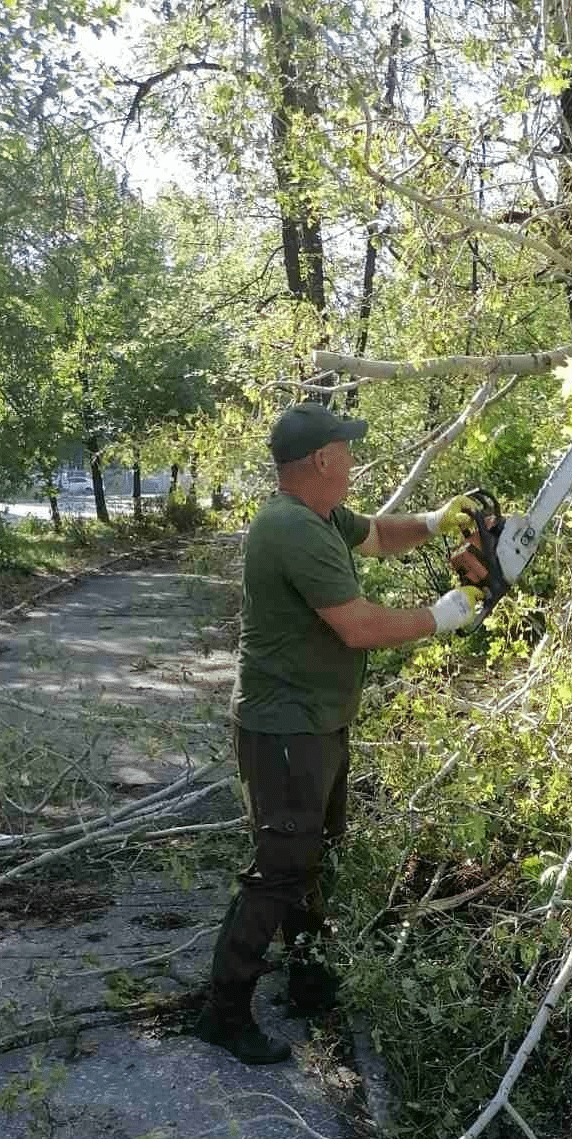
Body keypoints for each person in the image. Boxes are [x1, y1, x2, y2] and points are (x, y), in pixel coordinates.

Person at [196, 401, 482, 1065]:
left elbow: (380, 536)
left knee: (312, 858)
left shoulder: (318, 518)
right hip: (285, 729)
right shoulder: (288, 528)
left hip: (316, 724)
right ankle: (224, 1011)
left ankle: (309, 979)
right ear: (322, 460)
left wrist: (440, 522)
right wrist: (446, 615)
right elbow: (358, 627)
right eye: (345, 450)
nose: (352, 460)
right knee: (279, 869)